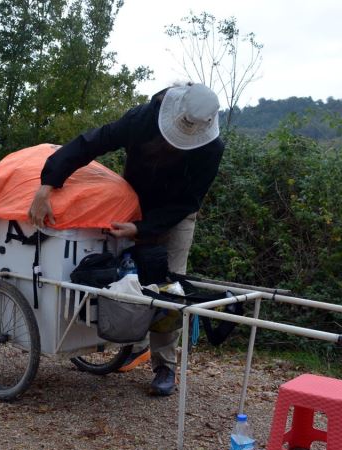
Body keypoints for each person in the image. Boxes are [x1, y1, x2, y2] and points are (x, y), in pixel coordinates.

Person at [28, 83, 225, 396]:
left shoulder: (211, 149)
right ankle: (134, 343)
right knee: (127, 277)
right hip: (131, 201)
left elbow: (188, 201)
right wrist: (48, 183)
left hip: (175, 215)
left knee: (167, 287)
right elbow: (92, 142)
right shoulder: (144, 118)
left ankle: (164, 366)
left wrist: (144, 229)